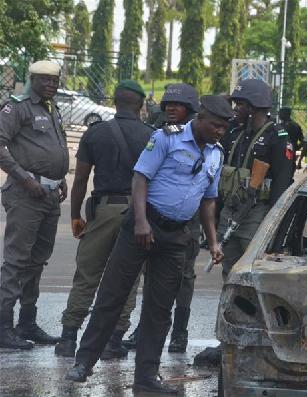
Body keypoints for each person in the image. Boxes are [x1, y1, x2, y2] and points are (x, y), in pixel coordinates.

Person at [65, 96, 233, 394]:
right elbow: (141, 178)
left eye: (224, 127)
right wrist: (141, 221)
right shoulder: (167, 138)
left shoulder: (216, 154)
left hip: (175, 236)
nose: (221, 131)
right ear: (202, 117)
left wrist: (214, 239)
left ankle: (146, 377)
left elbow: (208, 200)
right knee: (112, 295)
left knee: (159, 308)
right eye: (216, 125)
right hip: (142, 225)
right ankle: (84, 362)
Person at [194, 79, 294, 365]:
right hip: (231, 215)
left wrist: (276, 231)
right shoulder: (236, 133)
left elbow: (282, 189)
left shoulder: (278, 136)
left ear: (252, 107)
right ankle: (229, 339)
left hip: (257, 216)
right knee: (230, 278)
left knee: (255, 281)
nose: (235, 108)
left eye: (239, 104)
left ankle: (260, 341)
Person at [54, 80, 153, 359]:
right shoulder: (152, 135)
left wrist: (75, 216)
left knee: (87, 276)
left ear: (115, 101)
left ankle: (68, 338)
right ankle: (114, 341)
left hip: (103, 210)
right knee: (128, 279)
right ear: (141, 105)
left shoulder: (96, 133)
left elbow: (81, 180)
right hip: (137, 212)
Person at [122, 83, 202, 353]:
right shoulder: (161, 131)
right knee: (151, 272)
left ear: (190, 110)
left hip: (188, 218)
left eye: (177, 105)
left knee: (185, 276)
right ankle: (146, 329)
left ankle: (180, 331)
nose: (170, 109)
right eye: (167, 104)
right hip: (158, 214)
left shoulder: (204, 135)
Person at [0, 60, 69, 349]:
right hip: (27, 194)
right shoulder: (17, 107)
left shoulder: (52, 109)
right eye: (45, 81)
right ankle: (3, 327)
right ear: (32, 79)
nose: (51, 85)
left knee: (37, 261)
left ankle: (27, 322)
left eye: (55, 81)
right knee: (17, 261)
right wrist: (25, 179)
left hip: (51, 194)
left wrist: (60, 177)